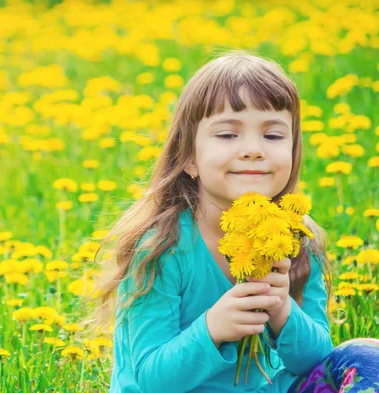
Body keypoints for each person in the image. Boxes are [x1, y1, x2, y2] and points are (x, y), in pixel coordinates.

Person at [89, 50, 379, 393]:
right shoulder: (161, 246)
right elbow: (152, 380)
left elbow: (315, 359)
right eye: (228, 135)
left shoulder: (297, 236)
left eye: (273, 136)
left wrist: (283, 311)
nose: (253, 149)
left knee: (366, 356)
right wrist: (212, 328)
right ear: (189, 158)